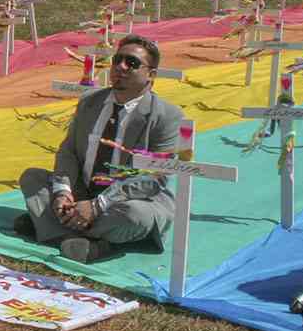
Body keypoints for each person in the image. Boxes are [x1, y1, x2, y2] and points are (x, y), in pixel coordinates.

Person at [14, 35, 185, 263]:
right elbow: (69, 151)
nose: (121, 67)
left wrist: (97, 206)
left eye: (132, 63)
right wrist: (63, 193)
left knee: (136, 216)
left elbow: (153, 178)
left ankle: (53, 228)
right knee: (32, 178)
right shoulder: (89, 101)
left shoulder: (167, 117)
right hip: (83, 190)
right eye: (118, 60)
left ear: (151, 75)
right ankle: (91, 241)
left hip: (127, 200)